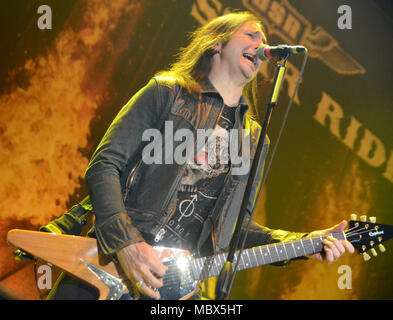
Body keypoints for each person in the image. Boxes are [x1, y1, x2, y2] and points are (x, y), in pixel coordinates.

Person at [44, 11, 354, 300]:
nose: (262, 45)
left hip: (175, 284)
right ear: (217, 43)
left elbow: (234, 230)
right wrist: (128, 244)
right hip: (109, 260)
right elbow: (104, 167)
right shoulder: (167, 92)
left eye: (265, 40)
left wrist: (302, 243)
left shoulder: (255, 140)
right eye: (250, 35)